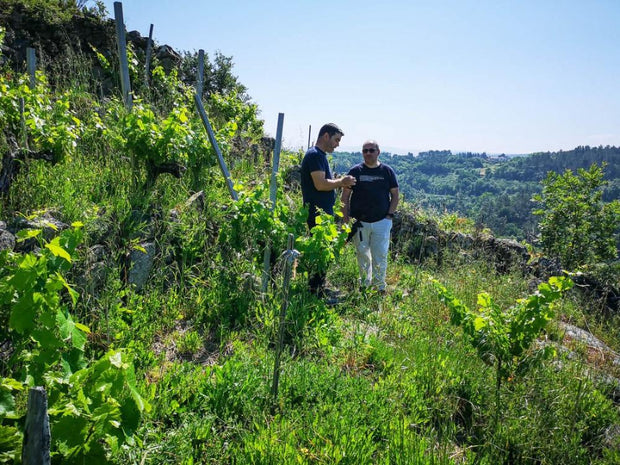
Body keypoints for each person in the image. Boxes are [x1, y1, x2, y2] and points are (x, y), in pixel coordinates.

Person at [300, 123, 356, 297]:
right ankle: (315, 292)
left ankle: (318, 288)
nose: (337, 144)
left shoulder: (319, 156)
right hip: (317, 214)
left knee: (322, 250)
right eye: (336, 140)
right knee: (319, 250)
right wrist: (341, 182)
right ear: (326, 136)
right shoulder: (315, 155)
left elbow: (324, 182)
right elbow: (320, 184)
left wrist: (338, 181)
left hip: (321, 214)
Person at [341, 140, 399, 293]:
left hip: (382, 221)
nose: (368, 153)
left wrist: (389, 217)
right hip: (359, 222)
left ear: (378, 152)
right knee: (362, 255)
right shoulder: (355, 171)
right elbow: (345, 196)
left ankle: (380, 287)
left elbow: (395, 195)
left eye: (371, 150)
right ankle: (365, 287)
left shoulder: (387, 171)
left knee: (380, 255)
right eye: (365, 150)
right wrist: (345, 219)